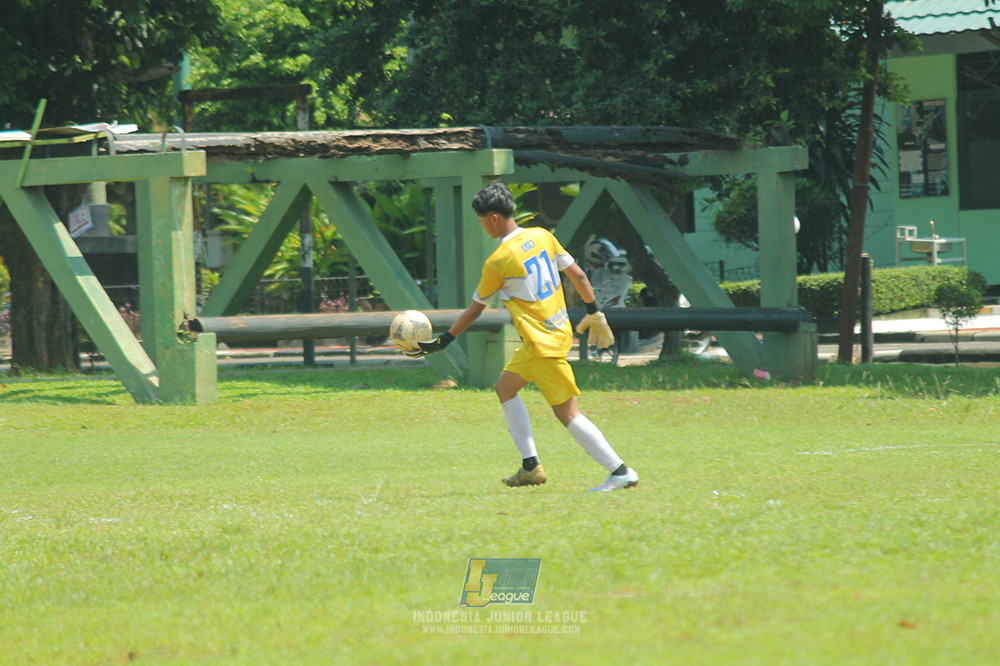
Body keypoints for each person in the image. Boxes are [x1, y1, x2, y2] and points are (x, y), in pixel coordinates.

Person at [414, 181, 638, 492]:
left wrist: (444, 341)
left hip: (540, 344)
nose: (481, 226)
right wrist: (594, 311)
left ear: (493, 218)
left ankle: (620, 471)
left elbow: (475, 309)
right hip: (554, 332)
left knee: (568, 414)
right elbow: (579, 275)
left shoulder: (499, 260)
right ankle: (530, 466)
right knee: (505, 387)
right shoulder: (542, 236)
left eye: (481, 219)